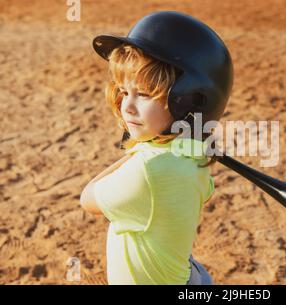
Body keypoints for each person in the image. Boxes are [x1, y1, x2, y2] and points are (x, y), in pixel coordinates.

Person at [80, 11, 233, 285]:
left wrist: (139, 147)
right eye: (125, 91)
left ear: (188, 102)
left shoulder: (147, 169)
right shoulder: (193, 155)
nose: (126, 105)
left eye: (145, 94)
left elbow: (88, 198)